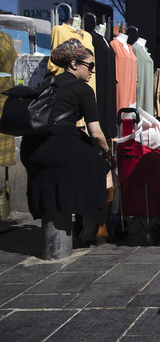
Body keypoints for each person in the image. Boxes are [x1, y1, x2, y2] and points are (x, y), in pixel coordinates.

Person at [20, 39, 112, 242]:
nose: (93, 71)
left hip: (31, 149)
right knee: (103, 173)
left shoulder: (47, 83)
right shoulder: (84, 90)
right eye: (90, 66)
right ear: (74, 64)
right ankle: (92, 229)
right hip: (60, 147)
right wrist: (107, 153)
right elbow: (96, 133)